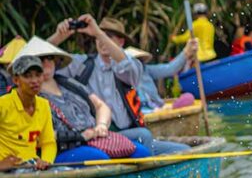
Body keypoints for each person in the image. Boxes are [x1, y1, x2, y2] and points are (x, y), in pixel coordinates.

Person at [47, 15, 187, 155]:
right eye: (99, 38)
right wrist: (58, 36)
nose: (101, 42)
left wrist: (99, 34)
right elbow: (37, 62)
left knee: (183, 150)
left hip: (128, 133)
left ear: (120, 41)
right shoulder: (83, 65)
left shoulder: (130, 65)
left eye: (109, 37)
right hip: (99, 135)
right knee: (144, 135)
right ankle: (147, 175)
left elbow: (127, 66)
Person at [16, 37, 153, 163]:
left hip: (95, 139)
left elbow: (101, 106)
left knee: (141, 153)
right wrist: (79, 137)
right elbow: (34, 136)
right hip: (63, 148)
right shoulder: (27, 95)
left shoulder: (68, 83)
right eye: (41, 59)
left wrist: (101, 126)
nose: (46, 64)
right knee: (99, 158)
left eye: (50, 58)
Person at [0, 55, 55, 171]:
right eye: (27, 76)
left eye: (38, 75)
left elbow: (48, 142)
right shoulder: (3, 105)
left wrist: (46, 161)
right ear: (16, 80)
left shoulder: (44, 105)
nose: (34, 81)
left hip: (32, 165)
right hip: (8, 171)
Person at [125, 44, 198, 112]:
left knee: (189, 97)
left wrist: (186, 52)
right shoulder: (123, 78)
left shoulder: (146, 70)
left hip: (157, 106)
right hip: (141, 111)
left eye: (139, 61)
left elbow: (170, 69)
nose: (137, 65)